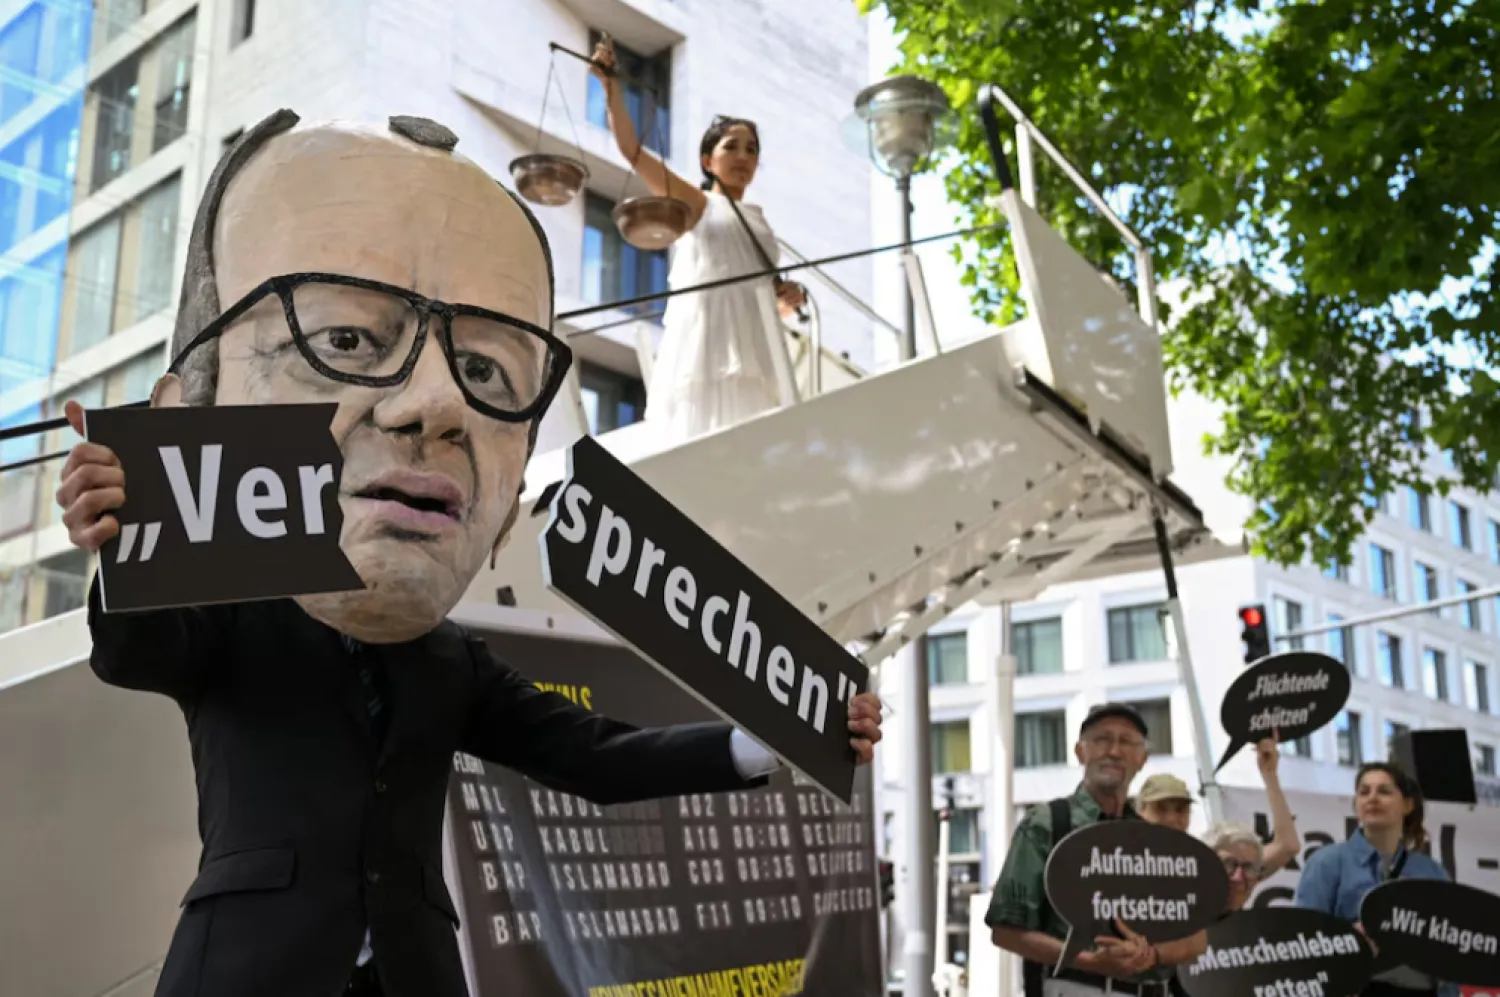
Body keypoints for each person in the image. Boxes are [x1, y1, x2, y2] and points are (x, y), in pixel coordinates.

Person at [53, 109, 884, 997]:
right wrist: (121, 537)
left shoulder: (451, 660)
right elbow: (136, 650)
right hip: (246, 971)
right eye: (344, 340)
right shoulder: (233, 610)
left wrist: (772, 738)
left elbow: (595, 755)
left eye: (485, 372)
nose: (435, 406)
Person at [590, 37, 805, 444]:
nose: (743, 157)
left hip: (757, 346)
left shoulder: (759, 220)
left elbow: (766, 298)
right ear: (708, 160)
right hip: (711, 340)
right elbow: (633, 152)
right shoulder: (699, 203)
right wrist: (611, 87)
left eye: (751, 150)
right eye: (732, 147)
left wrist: (788, 299)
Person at [986, 703, 1205, 997]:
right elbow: (1005, 930)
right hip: (1074, 988)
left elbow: (1196, 940)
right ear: (1080, 752)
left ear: (1142, 759)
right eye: (1102, 739)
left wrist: (1150, 955)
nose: (1114, 751)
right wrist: (1089, 961)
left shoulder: (1151, 841)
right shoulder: (1048, 823)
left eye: (1127, 742)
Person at [1293, 762, 1458, 997]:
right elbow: (1304, 940)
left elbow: (1449, 954)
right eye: (1364, 792)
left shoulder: (1431, 872)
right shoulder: (1327, 863)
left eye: (1384, 791)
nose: (1372, 798)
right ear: (1356, 805)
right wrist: (1347, 941)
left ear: (1407, 805)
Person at [1135, 737, 1300, 875]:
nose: (1171, 818)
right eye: (1160, 808)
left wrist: (1270, 775)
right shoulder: (1125, 862)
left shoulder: (1204, 865)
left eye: (1180, 810)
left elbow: (1286, 846)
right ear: (1140, 812)